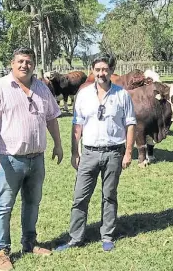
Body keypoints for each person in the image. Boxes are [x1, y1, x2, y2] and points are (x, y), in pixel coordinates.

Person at [0, 47, 63, 271]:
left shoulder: (42, 88)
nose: (24, 65)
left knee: (32, 203)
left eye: (28, 61)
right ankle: (1, 251)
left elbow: (52, 118)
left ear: (33, 65)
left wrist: (57, 143)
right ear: (12, 63)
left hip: (36, 159)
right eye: (20, 61)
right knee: (3, 206)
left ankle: (29, 242)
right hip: (9, 159)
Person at [56, 55, 136, 252]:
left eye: (105, 69)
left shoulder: (122, 95)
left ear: (111, 70)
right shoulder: (83, 95)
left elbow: (130, 124)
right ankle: (75, 237)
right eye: (98, 69)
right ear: (92, 70)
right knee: (80, 197)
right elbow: (77, 124)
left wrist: (128, 153)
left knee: (109, 195)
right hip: (89, 152)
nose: (101, 73)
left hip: (113, 152)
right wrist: (75, 151)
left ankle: (107, 236)